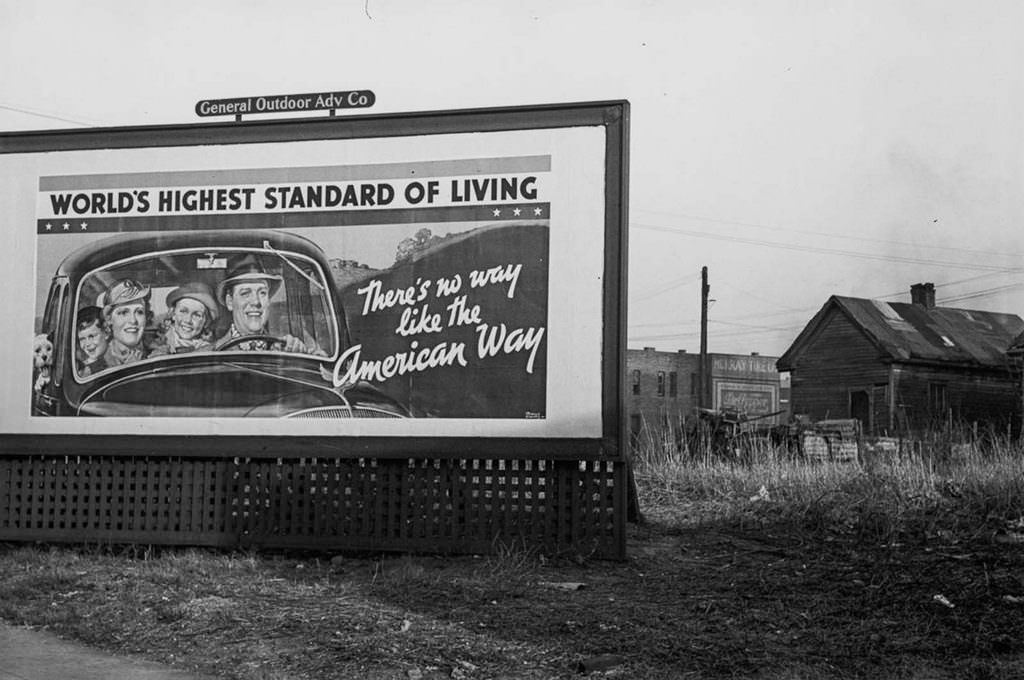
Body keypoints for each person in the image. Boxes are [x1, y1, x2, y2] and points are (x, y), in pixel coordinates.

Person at [214, 254, 318, 353]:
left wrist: (298, 351)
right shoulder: (208, 354)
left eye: (262, 293)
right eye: (245, 293)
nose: (256, 302)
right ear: (230, 302)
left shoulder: (283, 350)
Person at [149, 282, 218, 356]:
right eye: (183, 311)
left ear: (206, 322)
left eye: (197, 315)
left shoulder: (211, 351)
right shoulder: (156, 344)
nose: (188, 320)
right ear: (173, 314)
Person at [99, 278, 150, 367]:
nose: (133, 320)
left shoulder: (159, 355)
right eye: (123, 312)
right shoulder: (97, 363)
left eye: (139, 312)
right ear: (109, 319)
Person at [75, 306, 109, 376]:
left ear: (106, 332)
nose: (87, 344)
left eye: (92, 336)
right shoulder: (80, 367)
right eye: (82, 339)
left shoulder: (116, 358)